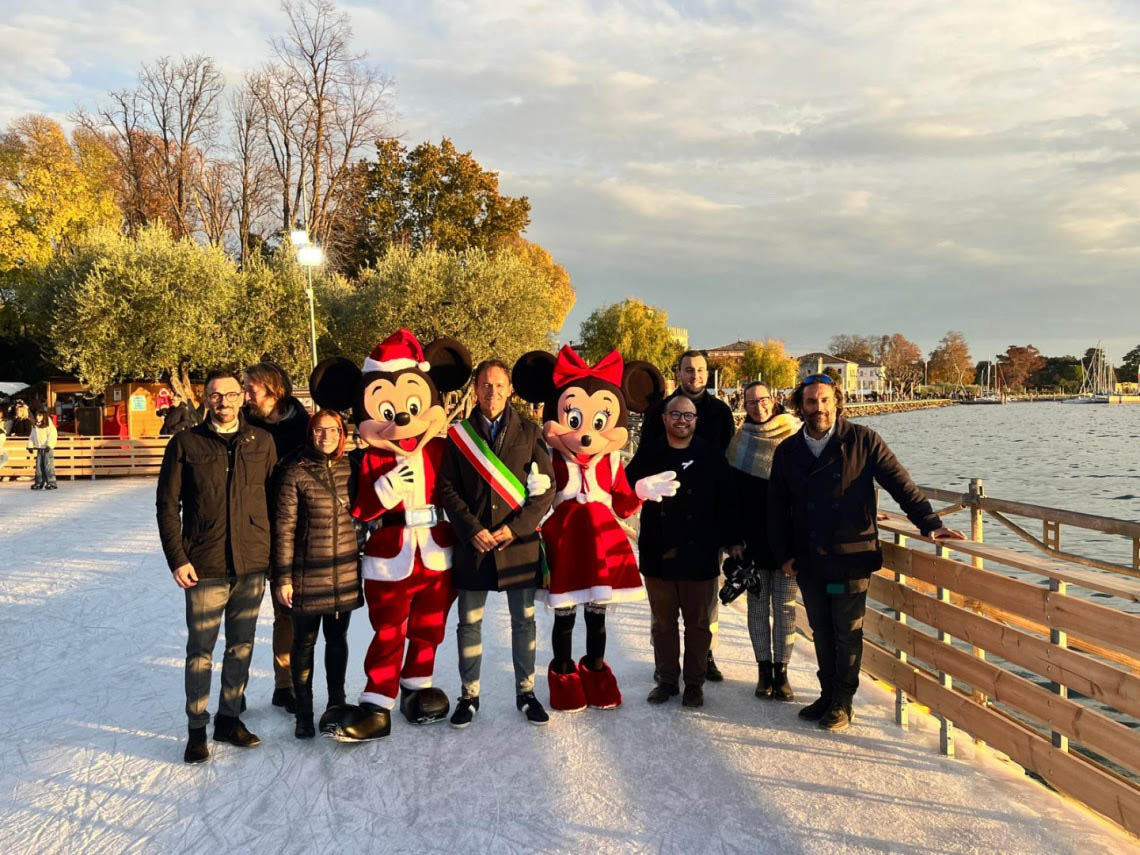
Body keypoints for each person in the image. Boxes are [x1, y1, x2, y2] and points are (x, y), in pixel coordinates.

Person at [768, 375, 964, 732]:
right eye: (811, 402)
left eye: (825, 400)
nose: (819, 408)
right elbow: (776, 507)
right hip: (809, 559)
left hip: (850, 557)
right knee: (821, 630)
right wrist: (783, 553)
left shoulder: (863, 440)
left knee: (847, 631)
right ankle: (827, 695)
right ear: (801, 406)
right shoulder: (787, 451)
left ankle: (843, 701)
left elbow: (901, 484)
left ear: (837, 402)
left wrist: (931, 524)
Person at [156, 369, 278, 763]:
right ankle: (197, 729)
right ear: (205, 400)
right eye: (214, 395)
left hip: (251, 563)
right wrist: (178, 557)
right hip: (203, 564)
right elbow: (166, 505)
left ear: (242, 397)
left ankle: (229, 718)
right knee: (200, 651)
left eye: (229, 394)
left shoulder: (262, 441)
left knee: (241, 646)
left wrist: (275, 558)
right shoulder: (185, 443)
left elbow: (276, 502)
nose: (222, 401)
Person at [437, 359, 556, 728]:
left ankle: (526, 692)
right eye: (486, 386)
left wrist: (516, 529)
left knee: (524, 622)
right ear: (475, 389)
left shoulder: (530, 431)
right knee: (469, 625)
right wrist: (472, 529)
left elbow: (545, 490)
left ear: (510, 389)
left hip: (516, 545)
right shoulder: (459, 436)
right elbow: (447, 489)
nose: (492, 393)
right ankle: (468, 695)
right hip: (474, 545)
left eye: (499, 385)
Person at [626, 395, 740, 708]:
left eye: (688, 415)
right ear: (664, 418)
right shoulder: (650, 452)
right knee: (663, 624)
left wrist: (733, 540)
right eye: (675, 414)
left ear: (696, 420)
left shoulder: (710, 454)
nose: (681, 420)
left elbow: (728, 500)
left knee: (699, 625)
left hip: (700, 553)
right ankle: (666, 679)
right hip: (657, 552)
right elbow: (625, 486)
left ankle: (694, 683)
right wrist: (639, 488)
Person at [639, 350, 735, 681]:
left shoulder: (721, 413)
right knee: (663, 612)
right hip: (664, 515)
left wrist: (731, 530)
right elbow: (642, 460)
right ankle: (665, 668)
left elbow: (728, 464)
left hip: (706, 519)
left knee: (703, 606)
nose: (694, 375)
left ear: (707, 374)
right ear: (678, 373)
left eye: (699, 370)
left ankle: (703, 657)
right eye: (688, 369)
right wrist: (643, 486)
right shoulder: (659, 412)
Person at [273, 409, 364, 739]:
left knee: (337, 640)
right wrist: (283, 577)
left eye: (332, 430)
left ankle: (336, 702)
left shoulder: (351, 467)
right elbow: (284, 529)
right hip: (306, 574)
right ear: (310, 433)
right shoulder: (294, 471)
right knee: (304, 642)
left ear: (342, 433)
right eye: (318, 430)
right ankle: (304, 709)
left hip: (343, 572)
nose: (325, 436)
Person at [726, 382, 801, 700]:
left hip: (787, 541)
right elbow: (729, 494)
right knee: (757, 609)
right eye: (751, 402)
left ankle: (782, 673)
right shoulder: (740, 441)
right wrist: (732, 538)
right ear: (744, 405)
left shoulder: (795, 437)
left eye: (763, 400)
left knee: (784, 608)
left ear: (774, 401)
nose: (758, 407)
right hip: (751, 541)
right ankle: (763, 671)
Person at [243, 361, 310, 714]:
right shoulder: (244, 424)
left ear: (273, 389)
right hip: (260, 527)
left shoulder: (303, 425)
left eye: (251, 387)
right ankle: (284, 684)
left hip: (302, 524)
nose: (246, 394)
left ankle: (303, 680)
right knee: (282, 610)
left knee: (303, 610)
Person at [27, 409, 58, 490]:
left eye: (40, 416)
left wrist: (49, 445)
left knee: (48, 465)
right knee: (39, 466)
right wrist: (30, 446)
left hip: (47, 449)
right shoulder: (35, 426)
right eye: (37, 415)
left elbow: (53, 435)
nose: (38, 417)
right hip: (40, 448)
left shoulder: (49, 426)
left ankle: (51, 483)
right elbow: (32, 436)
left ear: (44, 416)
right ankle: (39, 482)